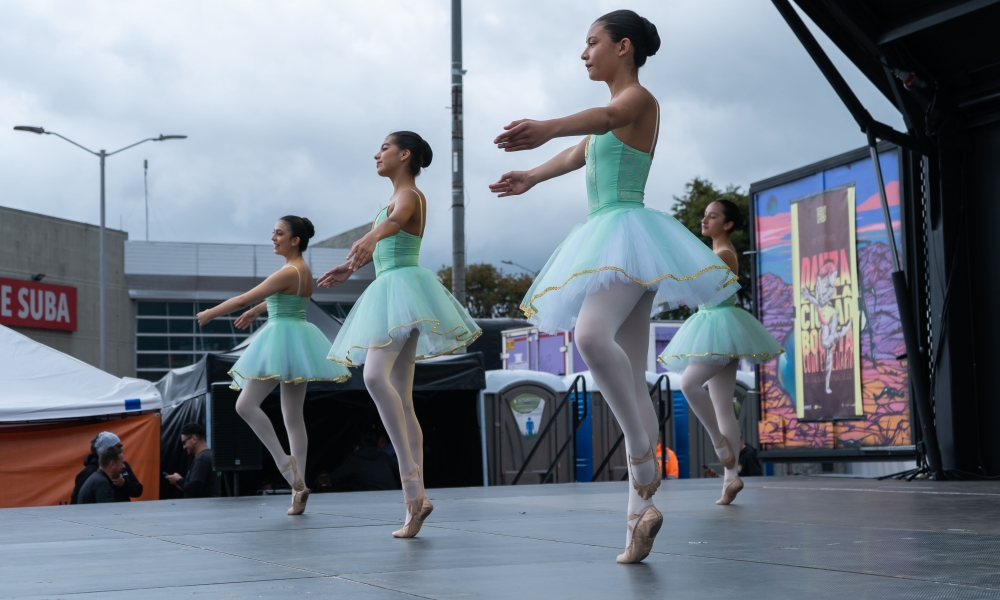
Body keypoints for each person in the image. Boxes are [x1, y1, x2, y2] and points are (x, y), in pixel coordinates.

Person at [488, 11, 738, 564]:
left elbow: (602, 118)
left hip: (626, 234)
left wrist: (548, 124)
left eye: (591, 42)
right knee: (626, 361)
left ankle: (645, 461)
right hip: (613, 241)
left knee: (591, 337)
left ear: (623, 47)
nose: (583, 52)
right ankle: (637, 521)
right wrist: (531, 175)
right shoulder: (606, 121)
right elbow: (581, 151)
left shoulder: (639, 101)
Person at [319, 131, 481, 538]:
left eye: (385, 148)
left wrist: (373, 234)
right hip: (395, 290)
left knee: (374, 378)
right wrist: (350, 267)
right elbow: (385, 239)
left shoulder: (409, 195)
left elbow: (394, 223)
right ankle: (415, 500)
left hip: (401, 291)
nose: (377, 154)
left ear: (404, 154)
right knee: (401, 397)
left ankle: (412, 489)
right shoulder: (392, 201)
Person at [196, 216, 351, 515]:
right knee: (293, 418)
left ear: (295, 240)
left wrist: (210, 313)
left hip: (282, 338)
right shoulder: (302, 270)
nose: (273, 237)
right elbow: (279, 299)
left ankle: (285, 465)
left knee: (245, 405)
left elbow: (243, 297)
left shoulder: (289, 270)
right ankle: (299, 488)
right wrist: (257, 311)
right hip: (299, 339)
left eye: (279, 233)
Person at [659, 200, 783, 505]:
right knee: (723, 405)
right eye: (704, 215)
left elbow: (705, 292)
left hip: (718, 325)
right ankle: (731, 477)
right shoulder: (715, 253)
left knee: (689, 384)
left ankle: (719, 443)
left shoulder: (724, 254)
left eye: (712, 216)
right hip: (717, 326)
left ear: (727, 224)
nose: (704, 220)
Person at [71, 432, 143, 504]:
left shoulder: (122, 465)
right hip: (103, 513)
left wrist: (124, 484)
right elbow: (76, 501)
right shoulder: (89, 473)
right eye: (118, 447)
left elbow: (138, 490)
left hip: (121, 513)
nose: (122, 449)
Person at [165, 423, 221, 499]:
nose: (184, 447)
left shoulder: (201, 459)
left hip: (201, 508)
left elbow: (194, 489)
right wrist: (181, 483)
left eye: (184, 442)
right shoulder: (212, 456)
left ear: (194, 438)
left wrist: (178, 480)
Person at [326, 434, 399, 492]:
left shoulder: (354, 460)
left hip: (368, 502)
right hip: (391, 498)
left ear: (357, 447)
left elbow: (334, 478)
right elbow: (400, 474)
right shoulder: (384, 456)